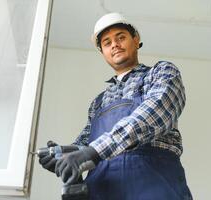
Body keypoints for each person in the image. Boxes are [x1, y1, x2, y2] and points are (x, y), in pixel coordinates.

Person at [39, 12, 192, 200]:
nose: (115, 45)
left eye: (121, 37)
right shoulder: (99, 102)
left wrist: (93, 152)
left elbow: (153, 115)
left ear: (136, 40)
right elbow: (86, 146)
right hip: (102, 191)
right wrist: (64, 155)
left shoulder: (160, 73)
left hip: (154, 186)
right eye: (107, 42)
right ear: (102, 52)